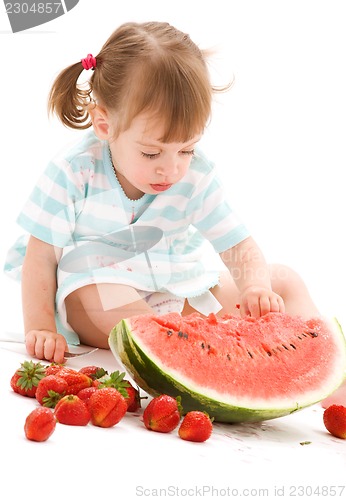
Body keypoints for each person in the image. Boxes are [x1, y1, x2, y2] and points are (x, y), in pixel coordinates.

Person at [4, 21, 319, 364]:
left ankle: (323, 373)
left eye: (186, 150)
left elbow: (238, 245)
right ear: (104, 124)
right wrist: (41, 326)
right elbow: (41, 257)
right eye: (152, 153)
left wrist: (255, 287)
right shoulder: (75, 171)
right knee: (100, 288)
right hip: (98, 300)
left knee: (285, 280)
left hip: (174, 290)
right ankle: (181, 356)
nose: (171, 170)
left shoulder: (195, 176)